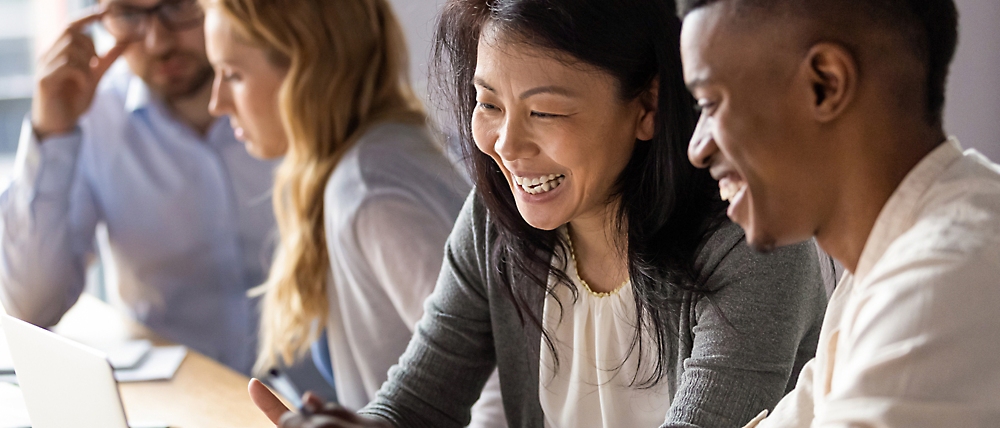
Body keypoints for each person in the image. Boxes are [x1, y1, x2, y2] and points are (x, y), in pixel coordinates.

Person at [249, 0, 830, 427]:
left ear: (648, 105)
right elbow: (418, 404)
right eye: (488, 103)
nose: (505, 144)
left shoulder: (750, 240)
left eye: (546, 113)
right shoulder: (492, 222)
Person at [681, 0, 1000, 426]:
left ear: (825, 84)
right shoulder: (877, 271)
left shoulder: (939, 286)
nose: (697, 149)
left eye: (710, 104)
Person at [198, 0, 507, 426]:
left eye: (233, 74)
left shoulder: (371, 194)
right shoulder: (370, 154)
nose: (217, 102)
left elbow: (499, 381)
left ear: (304, 70)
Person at [0, 0, 276, 373]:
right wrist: (52, 133)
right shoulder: (93, 117)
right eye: (129, 15)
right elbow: (31, 307)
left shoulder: (292, 100)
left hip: (317, 400)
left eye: (178, 6)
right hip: (176, 394)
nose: (158, 41)